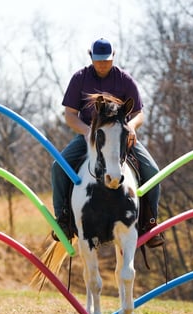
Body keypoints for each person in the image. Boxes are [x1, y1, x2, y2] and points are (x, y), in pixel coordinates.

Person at [51, 37, 165, 249]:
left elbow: (139, 113)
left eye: (106, 60)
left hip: (121, 136)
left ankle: (150, 222)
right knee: (58, 167)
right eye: (98, 60)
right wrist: (86, 131)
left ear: (113, 57)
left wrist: (131, 127)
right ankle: (64, 220)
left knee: (153, 171)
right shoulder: (80, 78)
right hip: (88, 135)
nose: (102, 64)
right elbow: (69, 115)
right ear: (91, 58)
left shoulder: (124, 80)